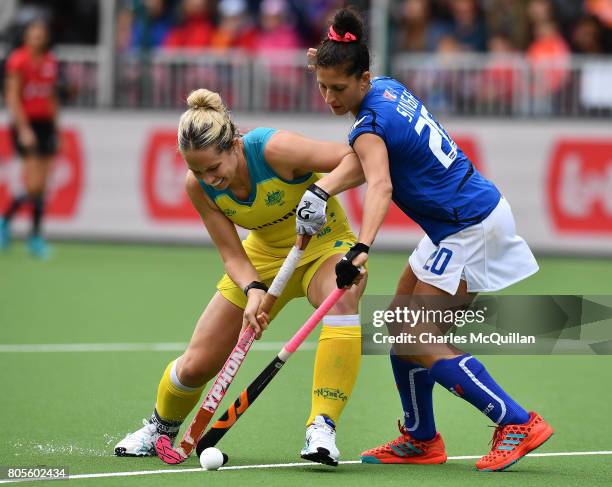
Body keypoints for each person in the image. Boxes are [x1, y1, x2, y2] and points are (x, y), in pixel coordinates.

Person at [296, 7, 553, 472]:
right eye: (322, 85)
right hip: (459, 219)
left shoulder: (368, 126)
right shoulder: (388, 87)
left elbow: (380, 183)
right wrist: (322, 187)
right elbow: (365, 157)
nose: (330, 97)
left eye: (338, 88)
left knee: (417, 333)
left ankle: (516, 420)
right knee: (401, 322)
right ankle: (420, 438)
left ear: (363, 78)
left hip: (467, 226)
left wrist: (360, 248)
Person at [114, 88, 366, 466]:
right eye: (197, 170)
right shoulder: (197, 186)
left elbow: (357, 160)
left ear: (233, 144)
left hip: (325, 245)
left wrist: (320, 190)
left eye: (213, 168)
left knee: (342, 299)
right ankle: (160, 427)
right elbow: (232, 252)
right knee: (197, 363)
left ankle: (322, 426)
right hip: (262, 258)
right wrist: (252, 291)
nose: (208, 179)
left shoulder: (273, 150)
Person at [1, 19, 58, 259]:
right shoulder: (18, 60)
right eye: (33, 33)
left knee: (42, 187)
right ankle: (8, 222)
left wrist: (56, 127)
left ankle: (33, 236)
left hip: (45, 125)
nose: (38, 37)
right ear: (26, 36)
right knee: (34, 184)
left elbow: (51, 98)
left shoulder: (49, 61)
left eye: (41, 33)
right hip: (27, 124)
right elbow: (13, 98)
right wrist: (23, 129)